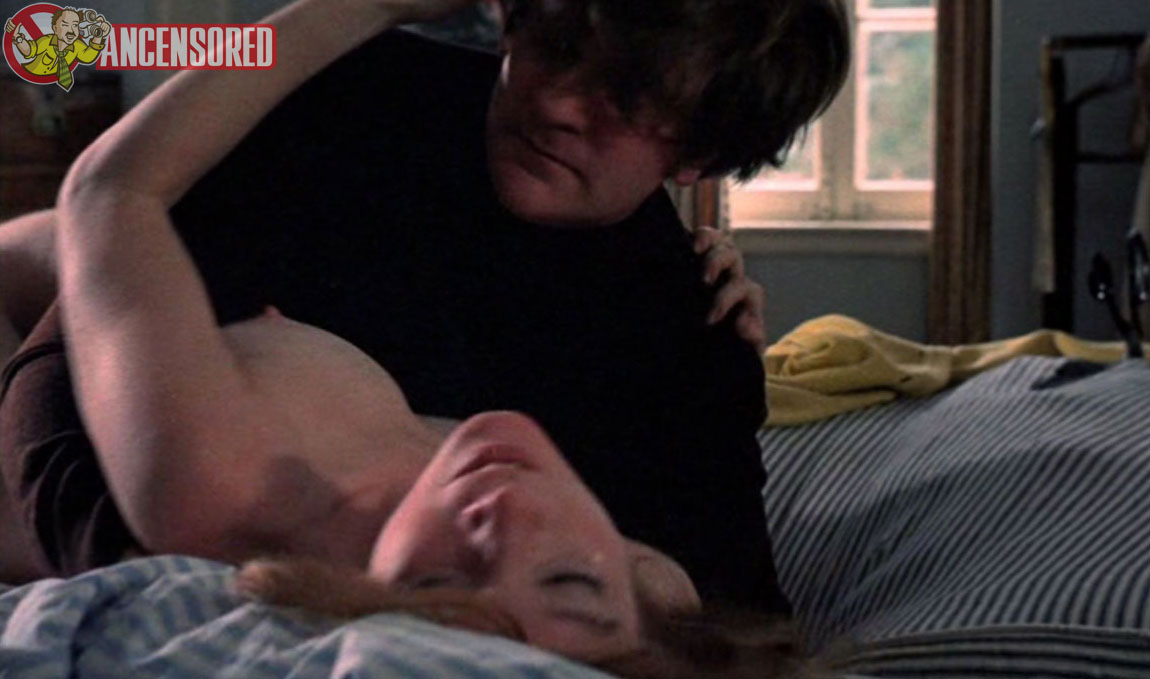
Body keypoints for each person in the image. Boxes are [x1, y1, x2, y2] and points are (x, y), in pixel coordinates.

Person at [0, 0, 851, 615]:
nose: (558, 103)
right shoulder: (377, 89)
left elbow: (733, 615)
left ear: (699, 153)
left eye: (624, 102)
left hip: (196, 403)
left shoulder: (685, 338)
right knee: (58, 254)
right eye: (554, 46)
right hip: (137, 361)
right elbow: (110, 264)